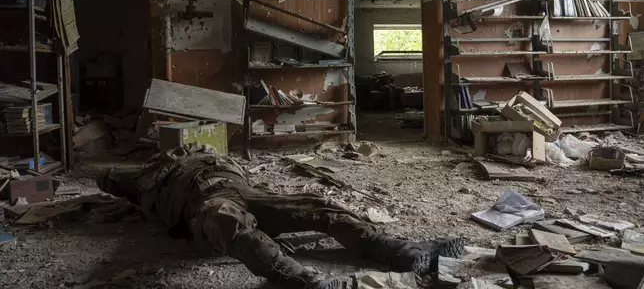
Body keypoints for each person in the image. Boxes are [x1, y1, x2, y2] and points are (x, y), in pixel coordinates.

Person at [97, 144, 465, 289]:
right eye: (179, 148)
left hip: (247, 191)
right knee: (227, 219)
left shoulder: (212, 155)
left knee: (314, 204)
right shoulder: (155, 173)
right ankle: (299, 280)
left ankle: (397, 250)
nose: (185, 146)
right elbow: (107, 177)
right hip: (203, 201)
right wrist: (138, 174)